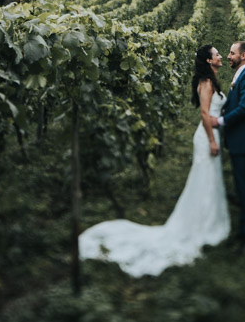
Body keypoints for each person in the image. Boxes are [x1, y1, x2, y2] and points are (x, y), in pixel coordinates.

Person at [78, 44, 230, 277]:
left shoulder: (210, 81)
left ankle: (206, 218)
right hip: (207, 135)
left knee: (207, 178)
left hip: (210, 133)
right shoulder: (207, 83)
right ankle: (203, 223)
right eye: (217, 54)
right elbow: (204, 114)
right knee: (204, 178)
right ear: (209, 61)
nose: (221, 56)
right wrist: (212, 140)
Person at [211, 40, 245, 251]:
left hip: (244, 140)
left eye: (232, 53)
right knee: (243, 186)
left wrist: (220, 121)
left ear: (243, 56)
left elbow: (244, 108)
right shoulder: (243, 74)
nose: (229, 56)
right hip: (239, 139)